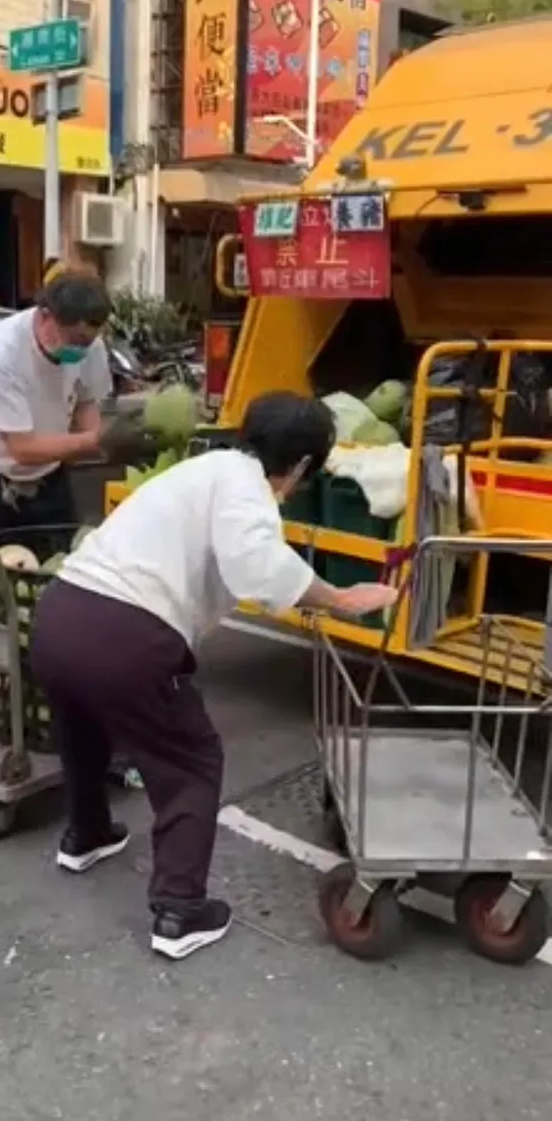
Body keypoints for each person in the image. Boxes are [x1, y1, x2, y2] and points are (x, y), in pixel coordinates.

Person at [29, 391, 398, 961]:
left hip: (59, 614)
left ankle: (87, 835)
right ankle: (179, 910)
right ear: (301, 466)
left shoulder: (207, 468)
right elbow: (258, 566)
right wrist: (342, 599)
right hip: (125, 635)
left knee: (85, 729)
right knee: (192, 761)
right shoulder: (247, 491)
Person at [0, 269, 113, 727]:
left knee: (67, 587)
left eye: (89, 340)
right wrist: (92, 443)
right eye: (72, 337)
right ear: (44, 316)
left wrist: (97, 432)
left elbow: (88, 401)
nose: (80, 347)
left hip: (48, 482)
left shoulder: (87, 345)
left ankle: (47, 706)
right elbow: (21, 446)